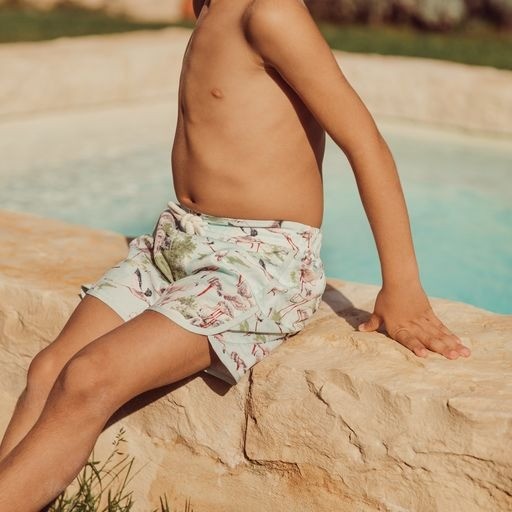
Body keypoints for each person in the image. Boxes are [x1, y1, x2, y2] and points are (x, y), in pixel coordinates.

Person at [0, 0, 471, 509]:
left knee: (88, 376)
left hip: (256, 262)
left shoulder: (270, 13)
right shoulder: (208, 6)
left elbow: (365, 143)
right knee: (48, 370)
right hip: (177, 241)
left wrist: (401, 286)